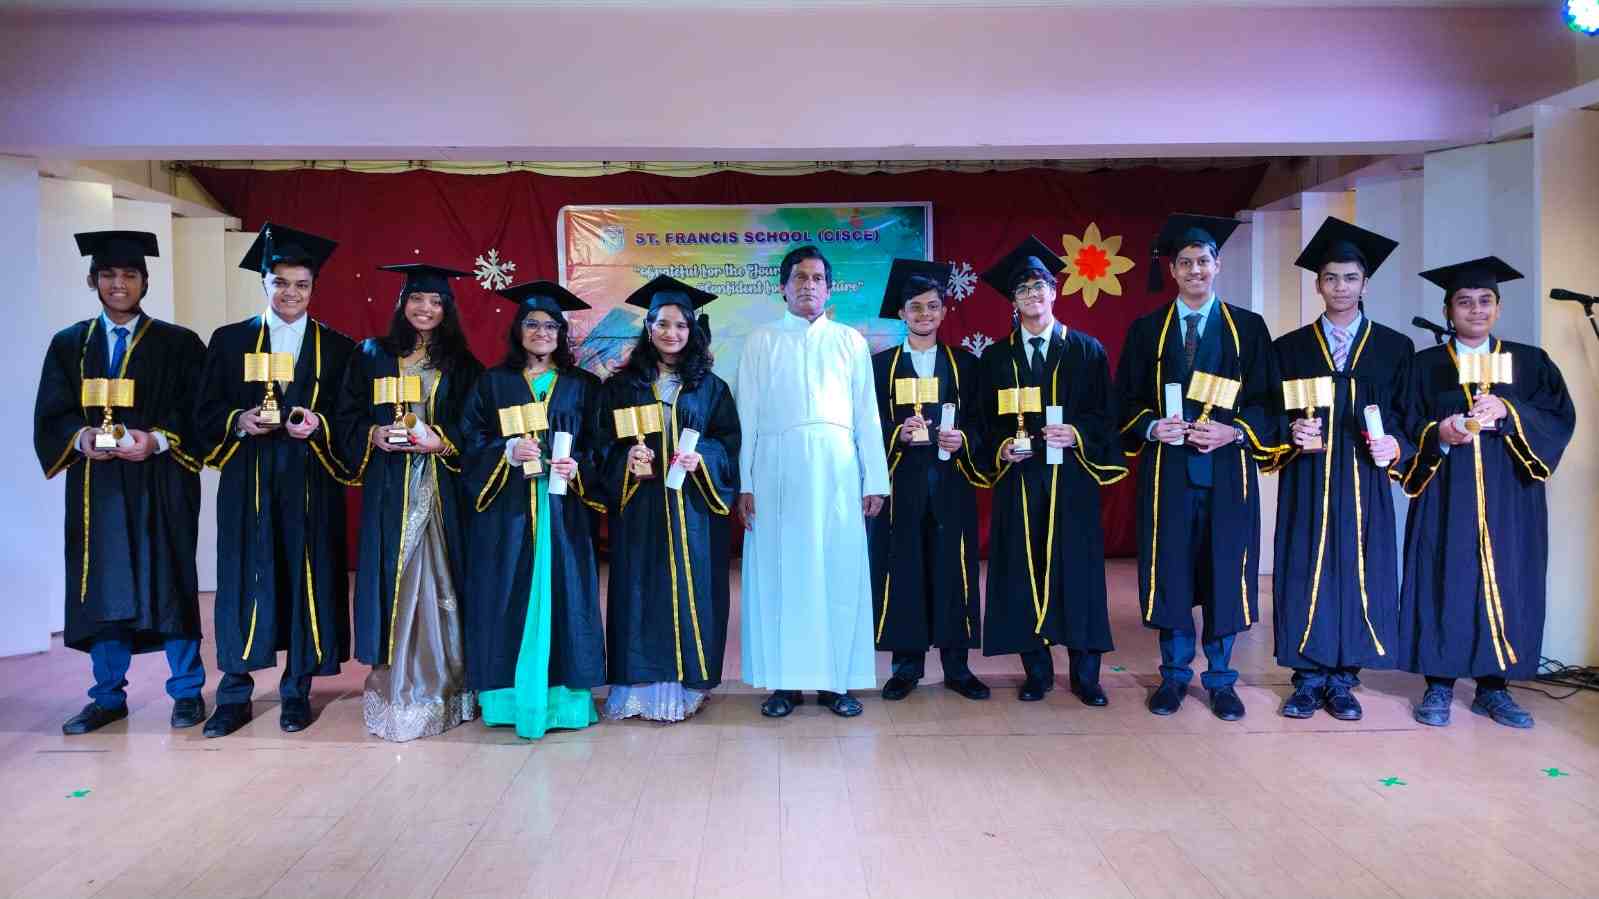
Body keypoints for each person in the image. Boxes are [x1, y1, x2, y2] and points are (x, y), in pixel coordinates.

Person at [34, 231, 208, 734]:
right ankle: (108, 697)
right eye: (108, 274)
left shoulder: (179, 344)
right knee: (104, 586)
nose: (118, 284)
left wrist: (157, 440)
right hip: (100, 486)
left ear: (145, 282)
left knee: (170, 579)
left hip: (161, 483)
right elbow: (52, 412)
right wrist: (81, 436)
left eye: (129, 275)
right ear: (92, 280)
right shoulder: (69, 344)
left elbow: (199, 410)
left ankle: (187, 692)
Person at [1115, 214, 1282, 721]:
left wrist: (1235, 432)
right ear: (1172, 270)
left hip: (1227, 474)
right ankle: (1174, 675)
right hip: (1168, 475)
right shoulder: (1147, 330)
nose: (1195, 270)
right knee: (1172, 573)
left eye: (1203, 261)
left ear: (1217, 265)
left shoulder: (1247, 328)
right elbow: (1124, 402)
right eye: (1185, 262)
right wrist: (1151, 426)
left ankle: (1222, 679)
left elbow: (1268, 402)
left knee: (1224, 573)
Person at [1397, 257, 1575, 729]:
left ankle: (1494, 688)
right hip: (1445, 494)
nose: (1475, 309)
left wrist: (1509, 411)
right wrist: (1439, 433)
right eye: (1464, 301)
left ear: (1498, 307)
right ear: (1448, 310)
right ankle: (1438, 684)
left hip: (1509, 495)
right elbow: (1404, 421)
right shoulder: (1425, 366)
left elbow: (1557, 418)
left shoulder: (1530, 361)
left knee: (1508, 580)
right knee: (1443, 576)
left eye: (1485, 300)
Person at [193, 222, 355, 738]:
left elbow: (350, 417)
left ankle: (295, 692)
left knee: (305, 579)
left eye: (301, 284)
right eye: (280, 282)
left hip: (310, 483)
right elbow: (205, 410)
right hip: (250, 482)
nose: (290, 293)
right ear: (264, 282)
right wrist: (239, 420)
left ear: (313, 288)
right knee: (245, 579)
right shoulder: (230, 340)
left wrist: (319, 425)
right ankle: (233, 695)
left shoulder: (338, 347)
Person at [736, 245, 891, 718]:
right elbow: (747, 417)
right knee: (780, 576)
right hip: (775, 474)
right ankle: (783, 684)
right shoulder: (761, 341)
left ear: (829, 288)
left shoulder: (849, 342)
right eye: (799, 278)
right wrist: (745, 483)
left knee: (838, 574)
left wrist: (875, 479)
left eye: (818, 278)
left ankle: (835, 683)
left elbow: (867, 414)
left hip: (838, 472)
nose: (809, 285)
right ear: (782, 286)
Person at [1270, 218, 1412, 721]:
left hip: (1364, 481)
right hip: (1307, 480)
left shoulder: (1394, 347)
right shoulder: (1289, 348)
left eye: (1350, 278)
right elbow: (1268, 412)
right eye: (1330, 278)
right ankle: (1307, 679)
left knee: (1359, 570)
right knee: (1303, 568)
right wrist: (1289, 430)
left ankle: (1344, 679)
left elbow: (1408, 416)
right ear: (1318, 285)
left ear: (1365, 283)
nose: (1340, 287)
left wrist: (1396, 443)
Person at [335, 263, 483, 741]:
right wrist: (373, 433)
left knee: (440, 577)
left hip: (440, 489)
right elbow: (346, 414)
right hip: (389, 485)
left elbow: (476, 426)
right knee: (392, 576)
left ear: (447, 309)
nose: (426, 308)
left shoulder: (463, 365)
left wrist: (442, 441)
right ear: (402, 303)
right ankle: (394, 683)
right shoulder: (372, 354)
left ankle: (446, 685)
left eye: (436, 301)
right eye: (417, 298)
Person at [976, 238, 1128, 704]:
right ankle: (1037, 673)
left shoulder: (1086, 350)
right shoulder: (996, 358)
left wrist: (1077, 434)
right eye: (1022, 289)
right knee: (1023, 573)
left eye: (1039, 286)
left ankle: (1086, 675)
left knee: (1077, 573)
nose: (1032, 295)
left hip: (1072, 482)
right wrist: (1001, 447)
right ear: (1012, 300)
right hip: (1020, 482)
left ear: (1054, 291)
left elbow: (1106, 416)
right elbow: (982, 422)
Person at [459, 281, 607, 740]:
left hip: (562, 512)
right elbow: (470, 440)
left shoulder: (583, 386)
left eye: (550, 326)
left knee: (564, 597)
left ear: (561, 334)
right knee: (508, 595)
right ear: (518, 330)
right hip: (508, 514)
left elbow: (600, 445)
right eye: (532, 324)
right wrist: (505, 452)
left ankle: (565, 703)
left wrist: (578, 465)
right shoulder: (493, 383)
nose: (542, 332)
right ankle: (508, 701)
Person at [598, 275, 740, 722]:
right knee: (639, 589)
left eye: (680, 325)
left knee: (694, 589)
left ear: (692, 330)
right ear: (648, 327)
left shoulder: (710, 387)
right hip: (640, 509)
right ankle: (636, 688)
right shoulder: (621, 386)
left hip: (693, 510)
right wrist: (625, 457)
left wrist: (704, 457)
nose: (671, 333)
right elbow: (600, 444)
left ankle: (688, 685)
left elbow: (729, 444)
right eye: (662, 323)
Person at [868, 260, 991, 702]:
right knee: (904, 570)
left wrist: (964, 439)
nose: (924, 314)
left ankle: (957, 667)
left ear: (944, 311)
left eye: (933, 306)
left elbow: (983, 423)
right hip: (902, 485)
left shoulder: (966, 365)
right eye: (916, 307)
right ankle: (906, 668)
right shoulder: (879, 366)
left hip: (950, 483)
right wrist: (894, 434)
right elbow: (866, 425)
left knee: (953, 571)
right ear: (901, 313)